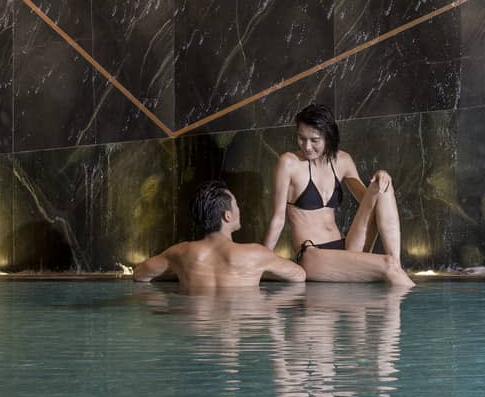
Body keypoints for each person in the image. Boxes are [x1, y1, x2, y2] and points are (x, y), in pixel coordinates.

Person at [265, 104, 415, 288]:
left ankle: (397, 263)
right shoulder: (289, 163)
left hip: (346, 247)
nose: (307, 146)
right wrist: (262, 261)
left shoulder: (343, 160)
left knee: (382, 185)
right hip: (313, 254)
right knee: (388, 265)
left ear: (328, 137)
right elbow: (278, 219)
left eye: (314, 140)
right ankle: (398, 274)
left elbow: (368, 200)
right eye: (301, 138)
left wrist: (383, 175)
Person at [134, 180, 306, 293]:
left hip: (196, 331)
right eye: (236, 205)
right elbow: (299, 276)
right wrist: (260, 269)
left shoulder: (180, 253)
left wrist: (179, 270)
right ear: (227, 216)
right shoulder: (255, 254)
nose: (239, 210)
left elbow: (140, 275)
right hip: (239, 321)